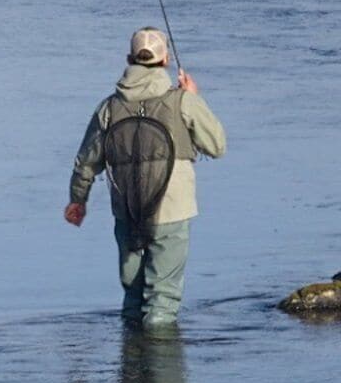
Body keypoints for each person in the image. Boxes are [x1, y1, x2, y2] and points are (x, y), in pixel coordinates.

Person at [64, 27, 226, 330]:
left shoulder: (108, 108)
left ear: (129, 58)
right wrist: (194, 99)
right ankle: (160, 368)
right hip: (172, 212)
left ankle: (131, 371)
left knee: (133, 299)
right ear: (165, 62)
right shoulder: (183, 102)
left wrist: (77, 201)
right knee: (162, 300)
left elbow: (86, 163)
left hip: (127, 211)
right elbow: (217, 146)